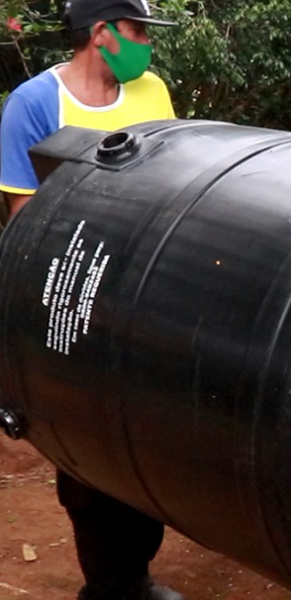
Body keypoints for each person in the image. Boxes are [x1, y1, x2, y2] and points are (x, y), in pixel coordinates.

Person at [0, 1, 183, 598]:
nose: (145, 47)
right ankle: (108, 585)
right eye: (136, 33)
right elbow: (26, 219)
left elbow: (176, 181)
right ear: (102, 34)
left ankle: (137, 576)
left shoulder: (152, 90)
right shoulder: (34, 104)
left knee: (146, 442)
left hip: (144, 297)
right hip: (74, 303)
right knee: (87, 461)